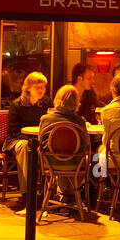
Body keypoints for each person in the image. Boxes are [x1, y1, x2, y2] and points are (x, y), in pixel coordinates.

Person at [38, 85, 91, 214]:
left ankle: (64, 196)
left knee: (58, 158)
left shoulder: (45, 119)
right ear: (76, 102)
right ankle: (71, 197)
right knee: (90, 157)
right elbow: (86, 145)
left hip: (51, 164)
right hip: (75, 165)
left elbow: (41, 143)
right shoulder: (79, 121)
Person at [6, 72, 50, 204]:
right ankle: (27, 193)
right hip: (16, 141)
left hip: (39, 140)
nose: (41, 90)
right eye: (37, 87)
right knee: (26, 147)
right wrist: (32, 141)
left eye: (43, 87)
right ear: (28, 88)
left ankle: (51, 193)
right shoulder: (17, 105)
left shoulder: (46, 103)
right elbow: (13, 131)